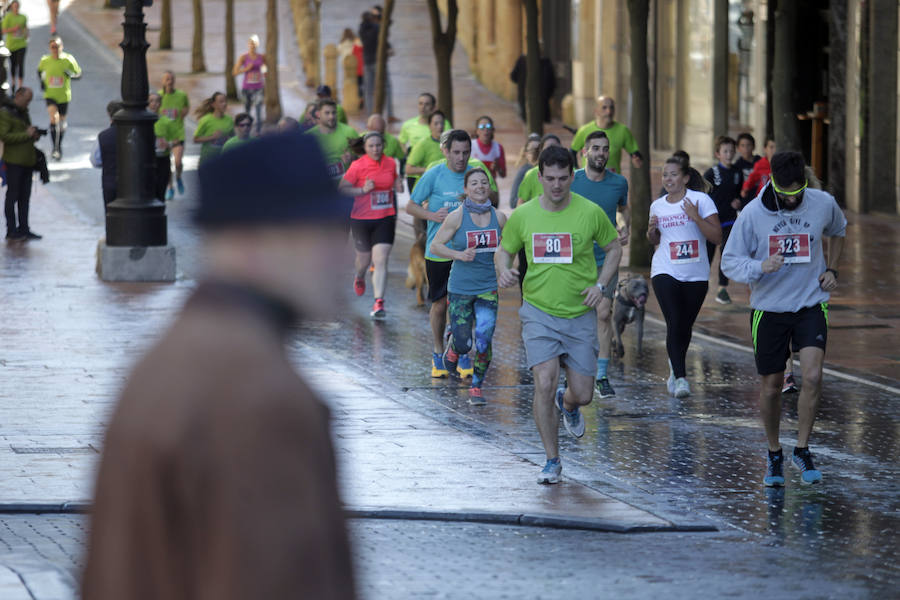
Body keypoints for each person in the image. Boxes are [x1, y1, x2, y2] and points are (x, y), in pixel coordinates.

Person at [81, 131, 356, 600]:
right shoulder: (258, 394)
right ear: (253, 241)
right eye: (325, 233)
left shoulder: (180, 353)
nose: (345, 256)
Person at [495, 146, 621, 484]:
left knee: (583, 394)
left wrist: (602, 284)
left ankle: (570, 405)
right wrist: (503, 271)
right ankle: (552, 460)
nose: (556, 185)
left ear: (572, 177)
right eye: (549, 178)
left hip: (580, 313)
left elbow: (613, 248)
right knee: (545, 381)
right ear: (539, 177)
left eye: (563, 179)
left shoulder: (590, 212)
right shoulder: (524, 215)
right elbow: (503, 250)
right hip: (538, 312)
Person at [721, 151, 846, 487]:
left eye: (798, 191)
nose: (792, 198)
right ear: (772, 182)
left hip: (810, 303)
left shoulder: (821, 202)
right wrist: (760, 267)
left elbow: (839, 230)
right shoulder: (752, 215)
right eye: (785, 192)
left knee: (813, 375)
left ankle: (802, 449)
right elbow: (729, 263)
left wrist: (832, 269)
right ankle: (774, 452)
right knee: (773, 387)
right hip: (769, 309)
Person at [406, 130, 487, 377]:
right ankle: (438, 351)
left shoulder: (475, 175)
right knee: (440, 305)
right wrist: (432, 215)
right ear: (446, 151)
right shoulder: (434, 174)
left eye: (465, 153)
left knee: (466, 304)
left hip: (469, 251)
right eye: (456, 152)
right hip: (439, 252)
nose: (461, 158)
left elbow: (489, 200)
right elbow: (410, 206)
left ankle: (462, 353)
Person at [429, 168, 507, 403]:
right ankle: (454, 347)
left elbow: (506, 248)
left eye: (484, 182)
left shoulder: (500, 217)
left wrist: (504, 269)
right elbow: (435, 246)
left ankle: (476, 386)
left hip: (488, 287)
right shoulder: (457, 216)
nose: (480, 187)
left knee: (484, 339)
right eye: (474, 183)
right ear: (466, 189)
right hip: (461, 288)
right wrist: (459, 254)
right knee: (465, 343)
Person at [647, 156, 721, 398]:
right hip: (665, 269)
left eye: (673, 174)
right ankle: (680, 378)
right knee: (674, 320)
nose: (668, 179)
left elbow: (717, 237)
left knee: (684, 326)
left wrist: (696, 217)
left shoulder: (701, 200)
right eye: (665, 174)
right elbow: (654, 240)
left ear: (686, 177)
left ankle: (674, 362)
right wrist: (651, 232)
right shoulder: (657, 206)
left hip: (696, 273)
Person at [571, 131, 630, 397]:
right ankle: (571, 372)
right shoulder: (572, 179)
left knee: (603, 313)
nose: (601, 153)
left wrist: (624, 226)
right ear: (585, 151)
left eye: (605, 149)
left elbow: (621, 209)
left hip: (605, 258)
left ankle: (602, 375)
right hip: (574, 260)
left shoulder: (619, 182)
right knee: (574, 316)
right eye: (595, 148)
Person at [339, 131, 403, 319]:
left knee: (381, 259)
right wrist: (362, 189)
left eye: (378, 145)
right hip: (361, 220)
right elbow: (342, 189)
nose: (376, 149)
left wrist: (398, 184)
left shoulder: (391, 163)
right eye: (371, 146)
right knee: (364, 261)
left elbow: (394, 179)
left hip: (385, 217)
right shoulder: (357, 166)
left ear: (384, 146)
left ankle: (379, 302)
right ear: (365, 148)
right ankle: (359, 276)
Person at [703, 136, 744, 305]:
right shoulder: (711, 173)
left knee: (726, 254)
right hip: (712, 223)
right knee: (708, 255)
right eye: (725, 151)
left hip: (729, 221)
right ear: (717, 154)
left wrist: (738, 201)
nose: (729, 154)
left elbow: (738, 192)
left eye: (731, 151)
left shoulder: (737, 172)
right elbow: (701, 194)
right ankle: (701, 284)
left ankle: (722, 288)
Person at [0, 87, 42, 241]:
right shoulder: (6, 113)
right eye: (26, 100)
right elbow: (4, 136)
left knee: (25, 197)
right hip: (14, 162)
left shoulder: (23, 112)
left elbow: (26, 132)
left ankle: (24, 228)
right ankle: (11, 230)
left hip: (27, 161)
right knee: (13, 196)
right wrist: (26, 134)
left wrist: (33, 134)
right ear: (18, 96)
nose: (28, 104)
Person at [571, 96, 643, 173]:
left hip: (613, 181)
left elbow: (635, 153)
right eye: (604, 108)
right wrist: (576, 171)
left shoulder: (623, 130)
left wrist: (637, 160)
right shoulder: (584, 130)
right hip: (589, 181)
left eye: (611, 107)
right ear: (596, 111)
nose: (609, 111)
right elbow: (572, 152)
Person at [37, 35, 81, 160]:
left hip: (64, 96)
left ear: (62, 47)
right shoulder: (45, 60)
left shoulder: (68, 59)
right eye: (52, 47)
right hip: (50, 95)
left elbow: (78, 73)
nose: (55, 49)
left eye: (57, 47)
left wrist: (71, 75)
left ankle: (59, 146)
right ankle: (55, 148)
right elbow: (39, 71)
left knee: (61, 123)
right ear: (50, 48)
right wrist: (42, 82)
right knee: (54, 118)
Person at [307, 98, 358, 180]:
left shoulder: (350, 132)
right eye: (327, 113)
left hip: (346, 187)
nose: (331, 117)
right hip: (320, 187)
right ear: (318, 114)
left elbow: (364, 158)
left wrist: (352, 158)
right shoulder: (309, 137)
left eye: (334, 113)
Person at [358, 7, 393, 118]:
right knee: (387, 87)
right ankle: (390, 114)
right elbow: (384, 37)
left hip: (367, 61)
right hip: (378, 62)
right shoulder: (377, 27)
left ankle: (370, 115)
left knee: (368, 90)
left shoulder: (361, 29)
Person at [159, 71, 189, 198]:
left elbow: (186, 107)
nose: (169, 81)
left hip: (178, 134)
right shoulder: (159, 96)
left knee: (177, 162)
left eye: (171, 79)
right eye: (167, 79)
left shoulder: (181, 95)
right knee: (167, 164)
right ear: (163, 81)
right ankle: (170, 187)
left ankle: (178, 177)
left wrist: (183, 114)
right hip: (164, 135)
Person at [147, 93, 180, 202]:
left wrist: (168, 144)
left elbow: (176, 140)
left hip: (163, 159)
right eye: (151, 101)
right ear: (147, 103)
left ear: (160, 104)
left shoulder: (166, 121)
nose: (154, 104)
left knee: (161, 191)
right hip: (148, 161)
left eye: (157, 101)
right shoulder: (144, 121)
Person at [89, 100, 123, 207]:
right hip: (130, 185)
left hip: (110, 182)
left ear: (109, 114)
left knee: (111, 215)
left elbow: (95, 160)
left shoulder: (103, 136)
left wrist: (108, 163)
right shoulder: (132, 134)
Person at [509, 52, 556, 123]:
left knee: (528, 120)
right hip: (543, 98)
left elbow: (513, 76)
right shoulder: (546, 62)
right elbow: (552, 81)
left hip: (526, 96)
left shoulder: (522, 61)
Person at [232, 34, 265, 134]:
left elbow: (264, 68)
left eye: (254, 43)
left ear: (257, 45)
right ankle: (246, 131)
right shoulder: (243, 57)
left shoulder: (261, 57)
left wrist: (265, 74)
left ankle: (258, 132)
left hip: (258, 87)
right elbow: (234, 72)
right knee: (247, 110)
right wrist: (246, 69)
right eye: (250, 43)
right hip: (246, 88)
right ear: (248, 45)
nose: (252, 45)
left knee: (259, 109)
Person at [405, 110, 446, 189]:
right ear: (429, 126)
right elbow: (408, 169)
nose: (440, 126)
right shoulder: (422, 144)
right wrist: (430, 169)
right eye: (436, 123)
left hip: (443, 187)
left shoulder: (449, 143)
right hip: (427, 189)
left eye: (442, 123)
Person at [193, 91, 234, 166]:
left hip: (224, 160)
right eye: (221, 102)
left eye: (225, 101)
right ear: (213, 104)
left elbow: (234, 138)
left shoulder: (230, 120)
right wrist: (212, 137)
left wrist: (229, 139)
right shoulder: (206, 120)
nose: (224, 104)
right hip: (207, 161)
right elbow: (196, 139)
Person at [509, 133, 541, 209]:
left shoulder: (548, 170)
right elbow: (513, 202)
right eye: (532, 150)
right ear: (526, 153)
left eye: (538, 150)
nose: (535, 153)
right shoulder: (524, 171)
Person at [2, 1, 27, 93]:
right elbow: (3, 31)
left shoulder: (23, 17)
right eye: (14, 6)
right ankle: (13, 84)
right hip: (11, 45)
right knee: (13, 65)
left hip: (22, 44)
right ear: (12, 7)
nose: (16, 8)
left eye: (17, 6)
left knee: (21, 65)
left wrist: (25, 33)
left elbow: (25, 29)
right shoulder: (8, 17)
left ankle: (20, 87)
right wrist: (14, 29)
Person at [470, 115, 506, 180]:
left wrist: (498, 167)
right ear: (477, 131)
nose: (485, 130)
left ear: (492, 130)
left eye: (488, 127)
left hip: (490, 186)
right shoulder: (470, 146)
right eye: (481, 127)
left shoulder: (498, 148)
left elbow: (503, 174)